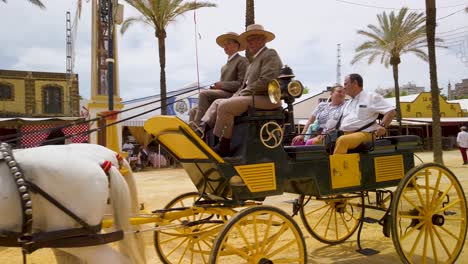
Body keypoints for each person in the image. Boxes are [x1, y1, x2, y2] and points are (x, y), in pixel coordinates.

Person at [200, 24, 283, 156]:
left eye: (253, 39)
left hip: (267, 99)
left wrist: (242, 94)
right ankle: (202, 131)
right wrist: (237, 95)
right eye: (248, 40)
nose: (249, 43)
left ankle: (223, 146)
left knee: (225, 106)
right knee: (218, 103)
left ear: (263, 40)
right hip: (253, 97)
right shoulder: (252, 63)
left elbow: (266, 81)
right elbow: (242, 86)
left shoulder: (270, 54)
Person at [191, 32, 249, 128]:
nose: (225, 46)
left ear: (237, 45)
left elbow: (241, 84)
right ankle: (191, 135)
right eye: (224, 44)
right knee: (193, 110)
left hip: (234, 95)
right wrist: (215, 87)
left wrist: (221, 85)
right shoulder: (224, 66)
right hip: (223, 93)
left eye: (229, 43)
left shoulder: (242, 60)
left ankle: (198, 128)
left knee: (203, 94)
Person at [333, 74, 396, 154]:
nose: (344, 87)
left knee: (342, 141)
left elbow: (391, 111)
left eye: (346, 84)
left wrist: (382, 126)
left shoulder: (371, 97)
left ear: (355, 83)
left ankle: (336, 166)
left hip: (365, 133)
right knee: (321, 140)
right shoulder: (348, 103)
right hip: (345, 133)